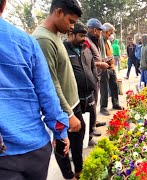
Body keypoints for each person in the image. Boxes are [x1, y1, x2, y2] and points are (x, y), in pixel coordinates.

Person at [0, 0, 70, 179]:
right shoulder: (26, 41)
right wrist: (60, 132)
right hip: (35, 149)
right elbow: (47, 94)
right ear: (4, 4)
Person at [32, 0, 84, 179]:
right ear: (59, 12)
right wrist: (69, 115)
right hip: (62, 110)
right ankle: (70, 176)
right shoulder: (43, 39)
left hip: (72, 104)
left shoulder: (54, 35)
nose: (72, 27)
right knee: (63, 147)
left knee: (77, 145)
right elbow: (50, 84)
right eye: (70, 21)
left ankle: (79, 173)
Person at [64, 22, 101, 143]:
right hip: (74, 95)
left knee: (90, 116)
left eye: (85, 36)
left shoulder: (86, 50)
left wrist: (95, 80)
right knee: (77, 123)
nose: (84, 39)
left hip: (89, 92)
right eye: (81, 36)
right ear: (71, 35)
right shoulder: (64, 51)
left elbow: (92, 68)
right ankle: (74, 145)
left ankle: (89, 136)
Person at [86, 18, 110, 118]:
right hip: (90, 76)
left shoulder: (94, 41)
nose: (101, 32)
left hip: (95, 75)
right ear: (95, 30)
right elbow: (85, 61)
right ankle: (91, 127)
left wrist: (102, 60)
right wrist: (100, 64)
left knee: (95, 99)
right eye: (100, 30)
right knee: (92, 101)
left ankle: (94, 121)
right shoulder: (87, 42)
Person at [100, 23, 124, 112]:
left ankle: (115, 103)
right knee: (104, 88)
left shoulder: (108, 41)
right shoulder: (100, 40)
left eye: (111, 34)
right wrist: (105, 59)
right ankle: (103, 107)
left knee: (114, 86)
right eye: (109, 33)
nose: (110, 35)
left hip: (111, 67)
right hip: (104, 68)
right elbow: (99, 55)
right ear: (104, 31)